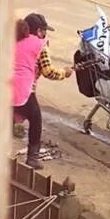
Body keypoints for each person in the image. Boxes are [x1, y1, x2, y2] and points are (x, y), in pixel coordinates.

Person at [13, 19, 71, 169]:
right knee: (35, 119)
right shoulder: (40, 45)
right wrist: (65, 73)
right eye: (44, 31)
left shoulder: (14, 39)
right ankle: (32, 158)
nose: (45, 34)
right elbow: (49, 72)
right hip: (23, 90)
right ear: (38, 31)